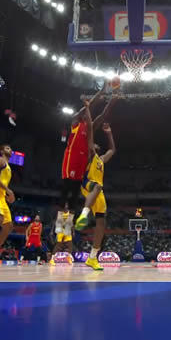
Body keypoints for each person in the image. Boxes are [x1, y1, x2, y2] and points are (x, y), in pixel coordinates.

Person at [60, 86, 118, 218]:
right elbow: (89, 106)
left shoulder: (90, 128)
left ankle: (68, 227)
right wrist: (102, 91)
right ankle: (59, 226)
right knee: (66, 192)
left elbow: (103, 115)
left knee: (73, 196)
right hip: (72, 157)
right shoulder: (76, 121)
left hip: (83, 161)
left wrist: (113, 101)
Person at [75, 116, 116, 270]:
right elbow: (90, 134)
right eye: (93, 144)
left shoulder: (101, 159)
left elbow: (112, 150)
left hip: (98, 191)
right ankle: (84, 214)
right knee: (98, 186)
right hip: (88, 184)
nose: (95, 144)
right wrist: (91, 122)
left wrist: (109, 133)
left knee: (101, 223)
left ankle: (92, 257)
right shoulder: (90, 155)